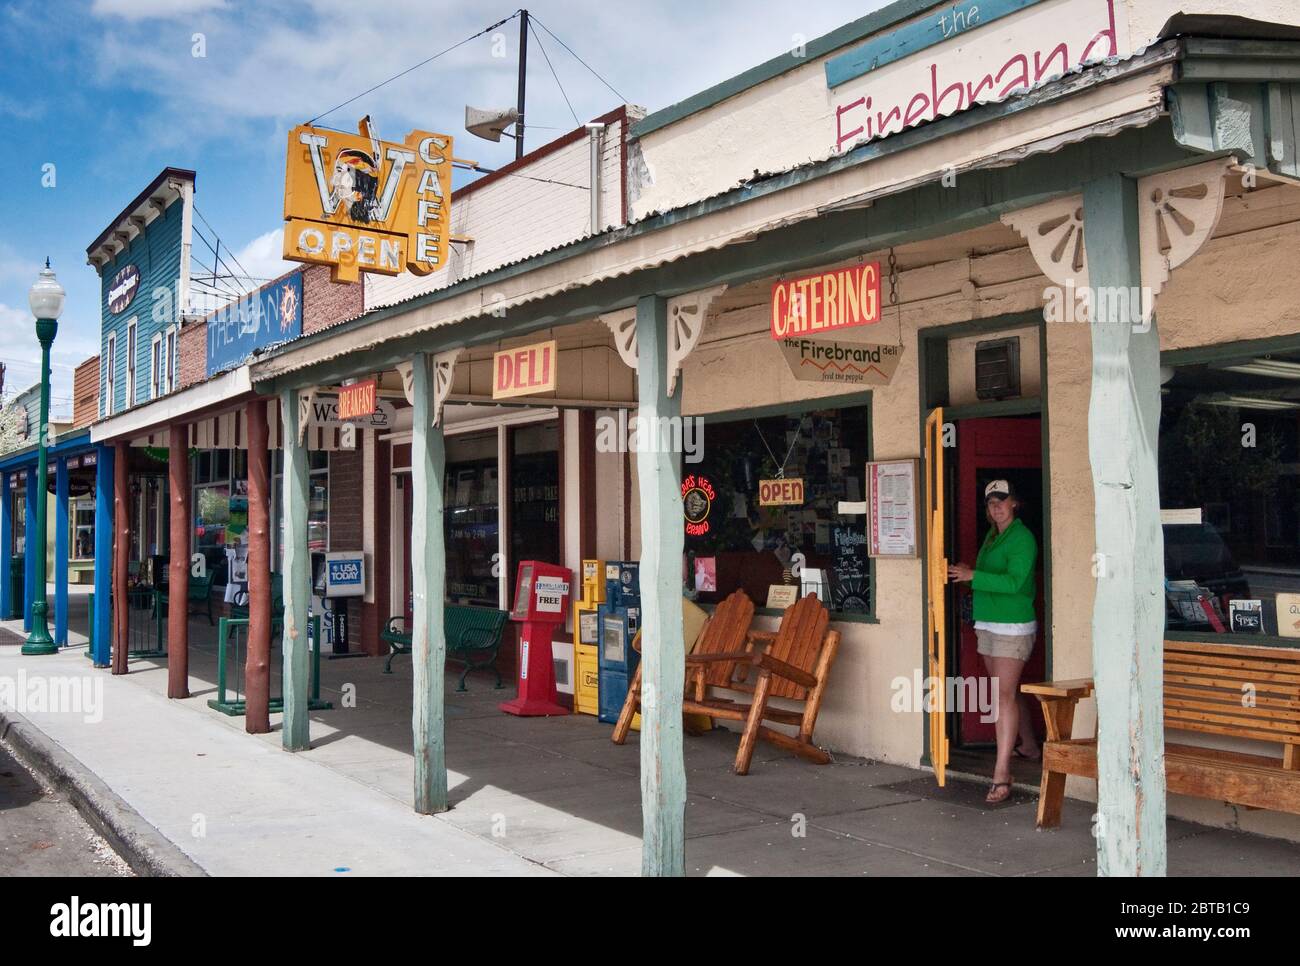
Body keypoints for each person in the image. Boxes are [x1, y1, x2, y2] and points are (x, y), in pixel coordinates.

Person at [947, 479, 1040, 804]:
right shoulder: (993, 536)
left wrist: (974, 576)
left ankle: (1002, 773)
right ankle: (1027, 745)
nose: (996, 507)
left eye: (1001, 500)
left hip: (1012, 626)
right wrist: (969, 571)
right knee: (1007, 693)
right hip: (988, 622)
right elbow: (991, 575)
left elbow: (1015, 582)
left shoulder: (1023, 538)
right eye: (990, 502)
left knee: (1002, 697)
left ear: (1014, 503)